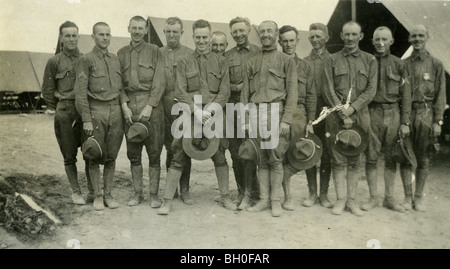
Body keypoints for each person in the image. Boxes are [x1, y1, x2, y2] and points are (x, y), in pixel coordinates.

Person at [158, 19, 235, 215]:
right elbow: (180, 90)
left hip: (213, 116)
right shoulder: (184, 61)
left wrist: (211, 110)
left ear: (210, 37)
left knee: (219, 155)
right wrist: (196, 110)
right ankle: (167, 200)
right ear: (192, 37)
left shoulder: (221, 61)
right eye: (198, 37)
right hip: (190, 115)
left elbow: (225, 91)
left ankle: (225, 197)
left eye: (205, 37)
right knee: (179, 155)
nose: (202, 41)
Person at [241, 20, 298, 217]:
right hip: (256, 112)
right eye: (263, 31)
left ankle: (275, 201)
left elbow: (292, 93)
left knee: (275, 159)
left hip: (276, 112)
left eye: (269, 31)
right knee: (261, 159)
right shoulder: (252, 62)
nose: (265, 34)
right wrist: (246, 120)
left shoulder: (286, 60)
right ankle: (264, 200)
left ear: (276, 34)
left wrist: (286, 120)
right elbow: (245, 94)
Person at [322, 21, 377, 216]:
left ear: (361, 36)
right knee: (338, 160)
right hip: (335, 117)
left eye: (354, 34)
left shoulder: (370, 60)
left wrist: (352, 109)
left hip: (360, 116)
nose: (350, 38)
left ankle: (352, 201)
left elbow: (371, 90)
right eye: (347, 34)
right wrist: (341, 111)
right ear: (341, 36)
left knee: (354, 160)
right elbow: (328, 88)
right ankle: (340, 200)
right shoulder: (331, 60)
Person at [359, 26, 412, 213]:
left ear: (391, 42)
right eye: (377, 39)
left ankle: (389, 198)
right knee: (371, 157)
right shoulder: (366, 62)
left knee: (391, 158)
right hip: (371, 112)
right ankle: (373, 197)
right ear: (372, 41)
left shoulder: (400, 64)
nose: (380, 43)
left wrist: (405, 121)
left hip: (393, 114)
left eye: (384, 39)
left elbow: (406, 96)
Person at [75, 22, 124, 211]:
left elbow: (121, 89)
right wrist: (86, 118)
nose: (105, 38)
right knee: (93, 154)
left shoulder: (115, 59)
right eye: (101, 34)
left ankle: (109, 195)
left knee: (111, 156)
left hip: (116, 111)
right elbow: (80, 93)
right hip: (96, 111)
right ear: (93, 37)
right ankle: (96, 195)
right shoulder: (85, 60)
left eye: (108, 34)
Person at [117, 16, 166, 207]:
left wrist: (150, 105)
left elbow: (160, 81)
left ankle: (154, 195)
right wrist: (123, 104)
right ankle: (137, 193)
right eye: (133, 28)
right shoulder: (120, 53)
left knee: (154, 153)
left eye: (140, 28)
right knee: (133, 153)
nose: (137, 32)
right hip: (130, 107)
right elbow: (118, 83)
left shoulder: (155, 51)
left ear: (146, 30)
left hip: (152, 106)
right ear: (128, 28)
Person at [42, 21, 92, 205]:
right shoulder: (54, 62)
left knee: (90, 152)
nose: (71, 39)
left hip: (84, 111)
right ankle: (76, 191)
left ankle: (92, 191)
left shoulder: (86, 59)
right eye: (67, 36)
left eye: (74, 35)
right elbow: (47, 91)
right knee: (69, 155)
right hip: (65, 111)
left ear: (79, 37)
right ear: (61, 38)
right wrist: (61, 107)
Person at [400, 25, 446, 212]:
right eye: (413, 36)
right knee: (405, 158)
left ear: (427, 37)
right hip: (407, 113)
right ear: (409, 39)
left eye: (421, 35)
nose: (417, 39)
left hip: (426, 115)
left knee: (423, 159)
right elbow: (400, 94)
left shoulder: (436, 64)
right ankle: (406, 197)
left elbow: (441, 95)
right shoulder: (403, 64)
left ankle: (418, 198)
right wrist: (403, 121)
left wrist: (437, 121)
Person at [277, 25, 316, 211]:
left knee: (302, 152)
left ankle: (311, 193)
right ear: (279, 42)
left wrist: (311, 121)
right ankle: (287, 197)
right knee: (282, 154)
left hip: (300, 113)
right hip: (279, 112)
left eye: (292, 40)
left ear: (297, 41)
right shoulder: (276, 63)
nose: (288, 44)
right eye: (284, 40)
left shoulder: (306, 66)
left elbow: (311, 95)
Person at [223, 17, 260, 210]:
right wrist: (235, 86)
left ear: (248, 31)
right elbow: (221, 82)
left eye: (241, 30)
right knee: (236, 152)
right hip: (232, 107)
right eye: (234, 31)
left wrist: (244, 87)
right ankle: (241, 191)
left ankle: (255, 193)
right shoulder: (226, 56)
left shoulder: (258, 52)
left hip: (254, 107)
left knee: (253, 151)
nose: (238, 34)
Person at [160, 17, 194, 205]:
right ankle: (171, 189)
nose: (171, 35)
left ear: (181, 33)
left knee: (184, 147)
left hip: (184, 105)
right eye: (168, 31)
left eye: (175, 32)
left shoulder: (189, 54)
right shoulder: (158, 53)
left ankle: (185, 189)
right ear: (164, 32)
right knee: (169, 147)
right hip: (164, 105)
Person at [303, 23, 333, 208]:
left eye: (318, 36)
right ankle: (312, 193)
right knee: (309, 151)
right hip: (310, 112)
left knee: (327, 154)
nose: (315, 40)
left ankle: (324, 194)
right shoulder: (305, 62)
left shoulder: (334, 59)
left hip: (329, 112)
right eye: (312, 36)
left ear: (326, 38)